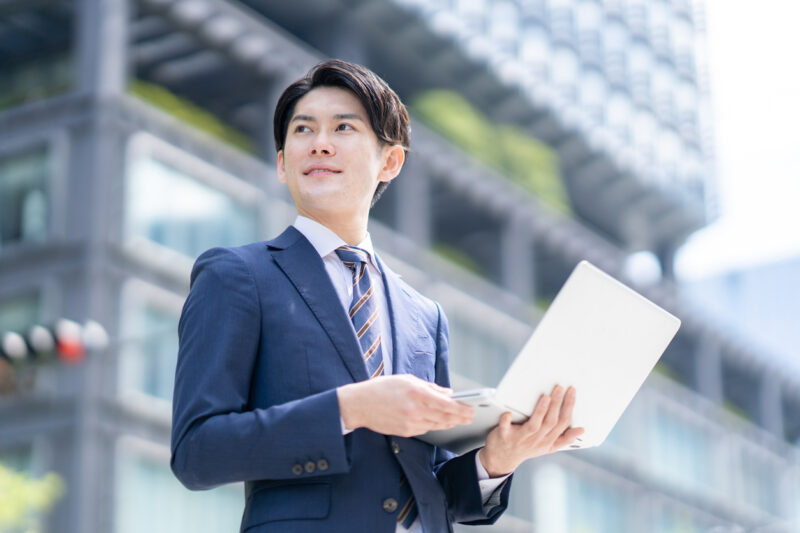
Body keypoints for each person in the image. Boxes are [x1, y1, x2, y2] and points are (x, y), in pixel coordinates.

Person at [170, 59, 584, 533]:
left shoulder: (424, 316)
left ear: (391, 161)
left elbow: (434, 489)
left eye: (343, 127)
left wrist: (498, 459)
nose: (320, 142)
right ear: (283, 164)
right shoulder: (238, 275)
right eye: (303, 130)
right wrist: (352, 407)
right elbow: (196, 452)